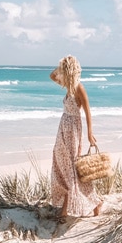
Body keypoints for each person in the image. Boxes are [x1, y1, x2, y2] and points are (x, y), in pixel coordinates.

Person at [50, 55, 102, 217]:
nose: (61, 72)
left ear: (70, 70)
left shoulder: (79, 87)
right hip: (63, 129)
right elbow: (52, 76)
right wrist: (63, 66)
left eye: (64, 69)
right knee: (61, 162)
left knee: (73, 166)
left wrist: (90, 133)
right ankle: (90, 203)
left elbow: (87, 110)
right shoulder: (67, 85)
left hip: (73, 128)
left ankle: (87, 205)